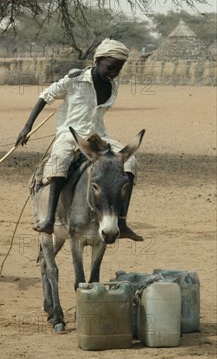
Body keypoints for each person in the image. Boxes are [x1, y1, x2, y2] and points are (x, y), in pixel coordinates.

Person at [16, 38, 143, 241]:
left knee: (130, 161)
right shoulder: (74, 79)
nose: (114, 73)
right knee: (60, 158)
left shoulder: (114, 85)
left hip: (99, 136)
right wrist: (27, 127)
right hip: (70, 134)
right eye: (110, 67)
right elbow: (45, 96)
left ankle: (122, 221)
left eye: (118, 69)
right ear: (98, 61)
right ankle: (49, 219)